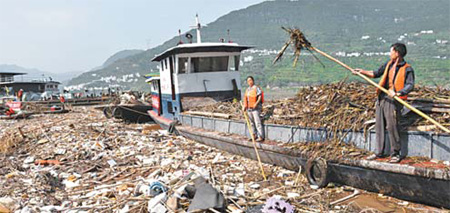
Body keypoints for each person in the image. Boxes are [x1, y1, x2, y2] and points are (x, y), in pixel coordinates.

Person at [353, 43, 415, 163]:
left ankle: (395, 153)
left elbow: (410, 85)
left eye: (391, 51)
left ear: (397, 53)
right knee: (379, 125)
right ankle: (379, 152)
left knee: (392, 126)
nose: (390, 53)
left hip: (393, 100)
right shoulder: (389, 64)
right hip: (382, 98)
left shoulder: (407, 68)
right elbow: (376, 73)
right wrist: (361, 72)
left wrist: (398, 93)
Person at [243, 76, 265, 142]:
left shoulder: (256, 88)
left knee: (257, 122)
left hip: (255, 108)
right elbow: (246, 99)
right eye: (248, 81)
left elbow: (260, 96)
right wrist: (244, 106)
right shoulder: (248, 90)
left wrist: (256, 103)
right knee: (251, 123)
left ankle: (260, 136)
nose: (249, 82)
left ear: (253, 80)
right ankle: (254, 135)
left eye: (250, 80)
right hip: (249, 109)